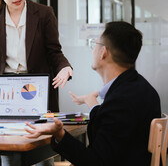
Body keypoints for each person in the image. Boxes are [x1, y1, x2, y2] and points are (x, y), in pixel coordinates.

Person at [25, 21, 162, 166]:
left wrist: (60, 134)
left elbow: (94, 161)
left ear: (103, 52)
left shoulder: (121, 101)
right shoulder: (138, 88)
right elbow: (112, 125)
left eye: (94, 44)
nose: (93, 50)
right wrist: (92, 102)